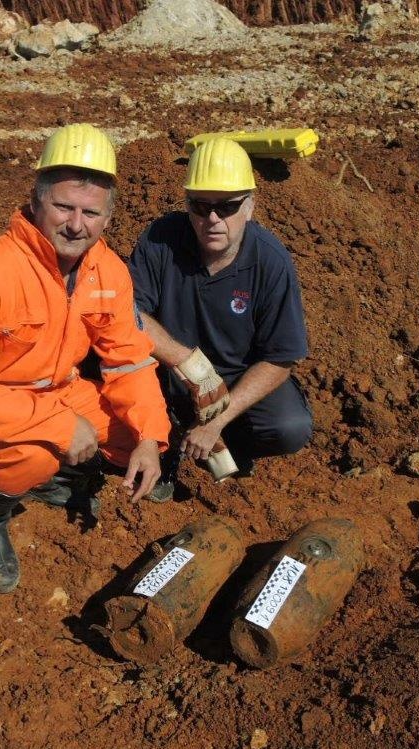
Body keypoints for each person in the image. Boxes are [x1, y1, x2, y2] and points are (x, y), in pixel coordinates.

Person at [0, 124, 170, 594]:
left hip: (55, 392)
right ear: (36, 203)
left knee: (135, 429)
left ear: (108, 220)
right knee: (33, 453)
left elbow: (128, 361)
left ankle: (49, 473)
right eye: (64, 206)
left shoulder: (107, 270)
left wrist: (151, 439)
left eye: (91, 212)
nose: (76, 224)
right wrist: (58, 426)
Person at [129, 136, 312, 500]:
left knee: (290, 426)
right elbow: (128, 313)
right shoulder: (160, 240)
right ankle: (164, 446)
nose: (212, 219)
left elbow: (280, 358)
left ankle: (223, 442)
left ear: (249, 207)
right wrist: (184, 361)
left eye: (227, 207)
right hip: (168, 372)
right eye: (200, 206)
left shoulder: (270, 263)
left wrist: (218, 420)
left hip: (233, 378)